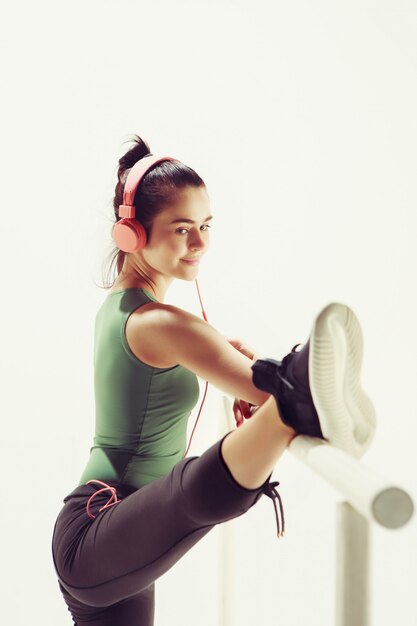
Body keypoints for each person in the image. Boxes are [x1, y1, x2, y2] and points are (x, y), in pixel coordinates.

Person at [51, 135, 376, 626]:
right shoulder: (157, 324)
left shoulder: (129, 311)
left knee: (192, 492)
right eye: (182, 229)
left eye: (205, 226)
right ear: (132, 234)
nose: (200, 243)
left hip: (117, 531)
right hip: (97, 532)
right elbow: (258, 387)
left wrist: (247, 382)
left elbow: (235, 377)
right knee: (194, 494)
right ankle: (299, 392)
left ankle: (297, 395)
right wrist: (271, 387)